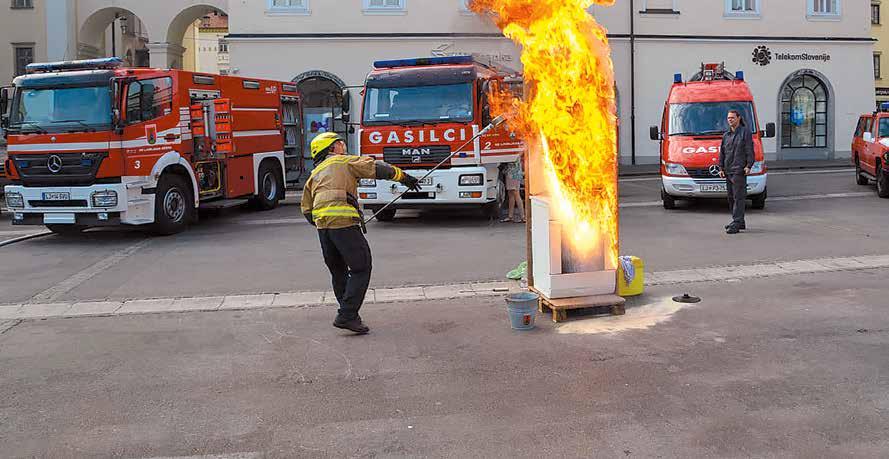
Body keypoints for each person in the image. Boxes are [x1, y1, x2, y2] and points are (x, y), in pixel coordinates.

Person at [301, 133, 421, 334]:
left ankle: (350, 316)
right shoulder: (342, 162)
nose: (343, 146)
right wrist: (404, 177)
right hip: (344, 224)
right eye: (340, 143)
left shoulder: (315, 174)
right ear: (331, 149)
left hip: (324, 229)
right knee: (361, 267)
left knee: (338, 271)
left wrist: (324, 222)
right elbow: (376, 167)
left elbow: (306, 209)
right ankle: (347, 315)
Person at [718, 110, 754, 234]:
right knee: (731, 198)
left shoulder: (745, 133)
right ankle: (740, 222)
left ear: (738, 118)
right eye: (728, 118)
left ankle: (736, 222)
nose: (730, 120)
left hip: (739, 170)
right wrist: (721, 168)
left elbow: (750, 150)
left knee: (739, 197)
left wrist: (749, 165)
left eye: (732, 118)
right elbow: (722, 152)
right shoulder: (726, 135)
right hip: (728, 170)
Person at [501, 153, 525, 223]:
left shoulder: (515, 150)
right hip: (511, 173)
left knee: (515, 194)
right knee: (511, 194)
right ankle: (510, 216)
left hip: (513, 173)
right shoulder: (516, 148)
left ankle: (523, 217)